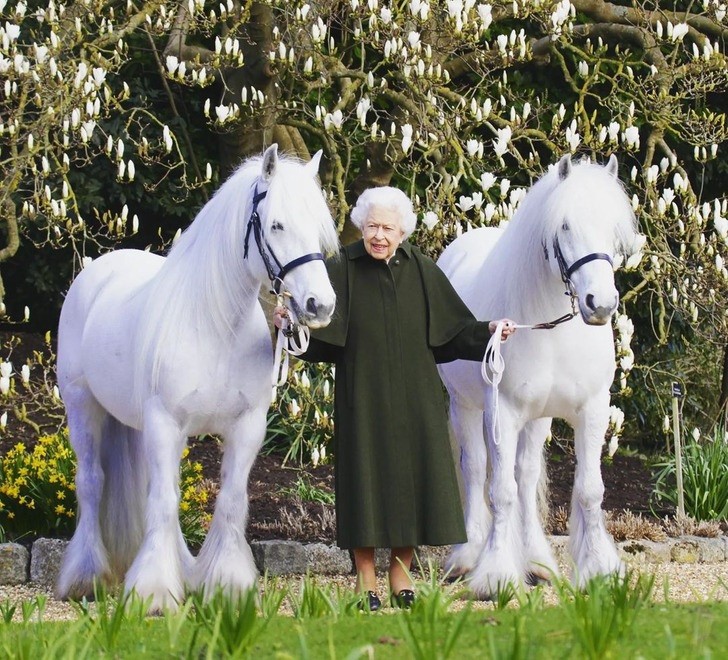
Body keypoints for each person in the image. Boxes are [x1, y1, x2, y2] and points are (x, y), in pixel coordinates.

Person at [274, 186, 515, 611]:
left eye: (387, 227)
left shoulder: (422, 270)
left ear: (402, 231)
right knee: (364, 481)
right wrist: (288, 325)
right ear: (360, 228)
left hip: (415, 398)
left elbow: (455, 331)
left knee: (412, 482)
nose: (378, 235)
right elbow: (317, 336)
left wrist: (491, 329)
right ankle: (365, 574)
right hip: (361, 396)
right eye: (371, 227)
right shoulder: (342, 268)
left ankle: (400, 569)